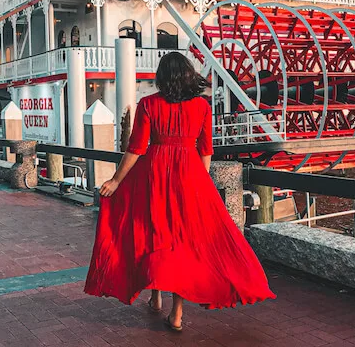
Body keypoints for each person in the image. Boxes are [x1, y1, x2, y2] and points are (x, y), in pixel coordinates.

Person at [84, 52, 276, 331]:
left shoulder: (148, 104)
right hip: (189, 175)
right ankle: (176, 312)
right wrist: (200, 180)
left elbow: (136, 149)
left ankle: (156, 296)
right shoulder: (201, 106)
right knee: (183, 241)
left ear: (162, 78)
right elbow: (206, 151)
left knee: (155, 233)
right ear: (188, 75)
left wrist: (115, 180)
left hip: (154, 174)